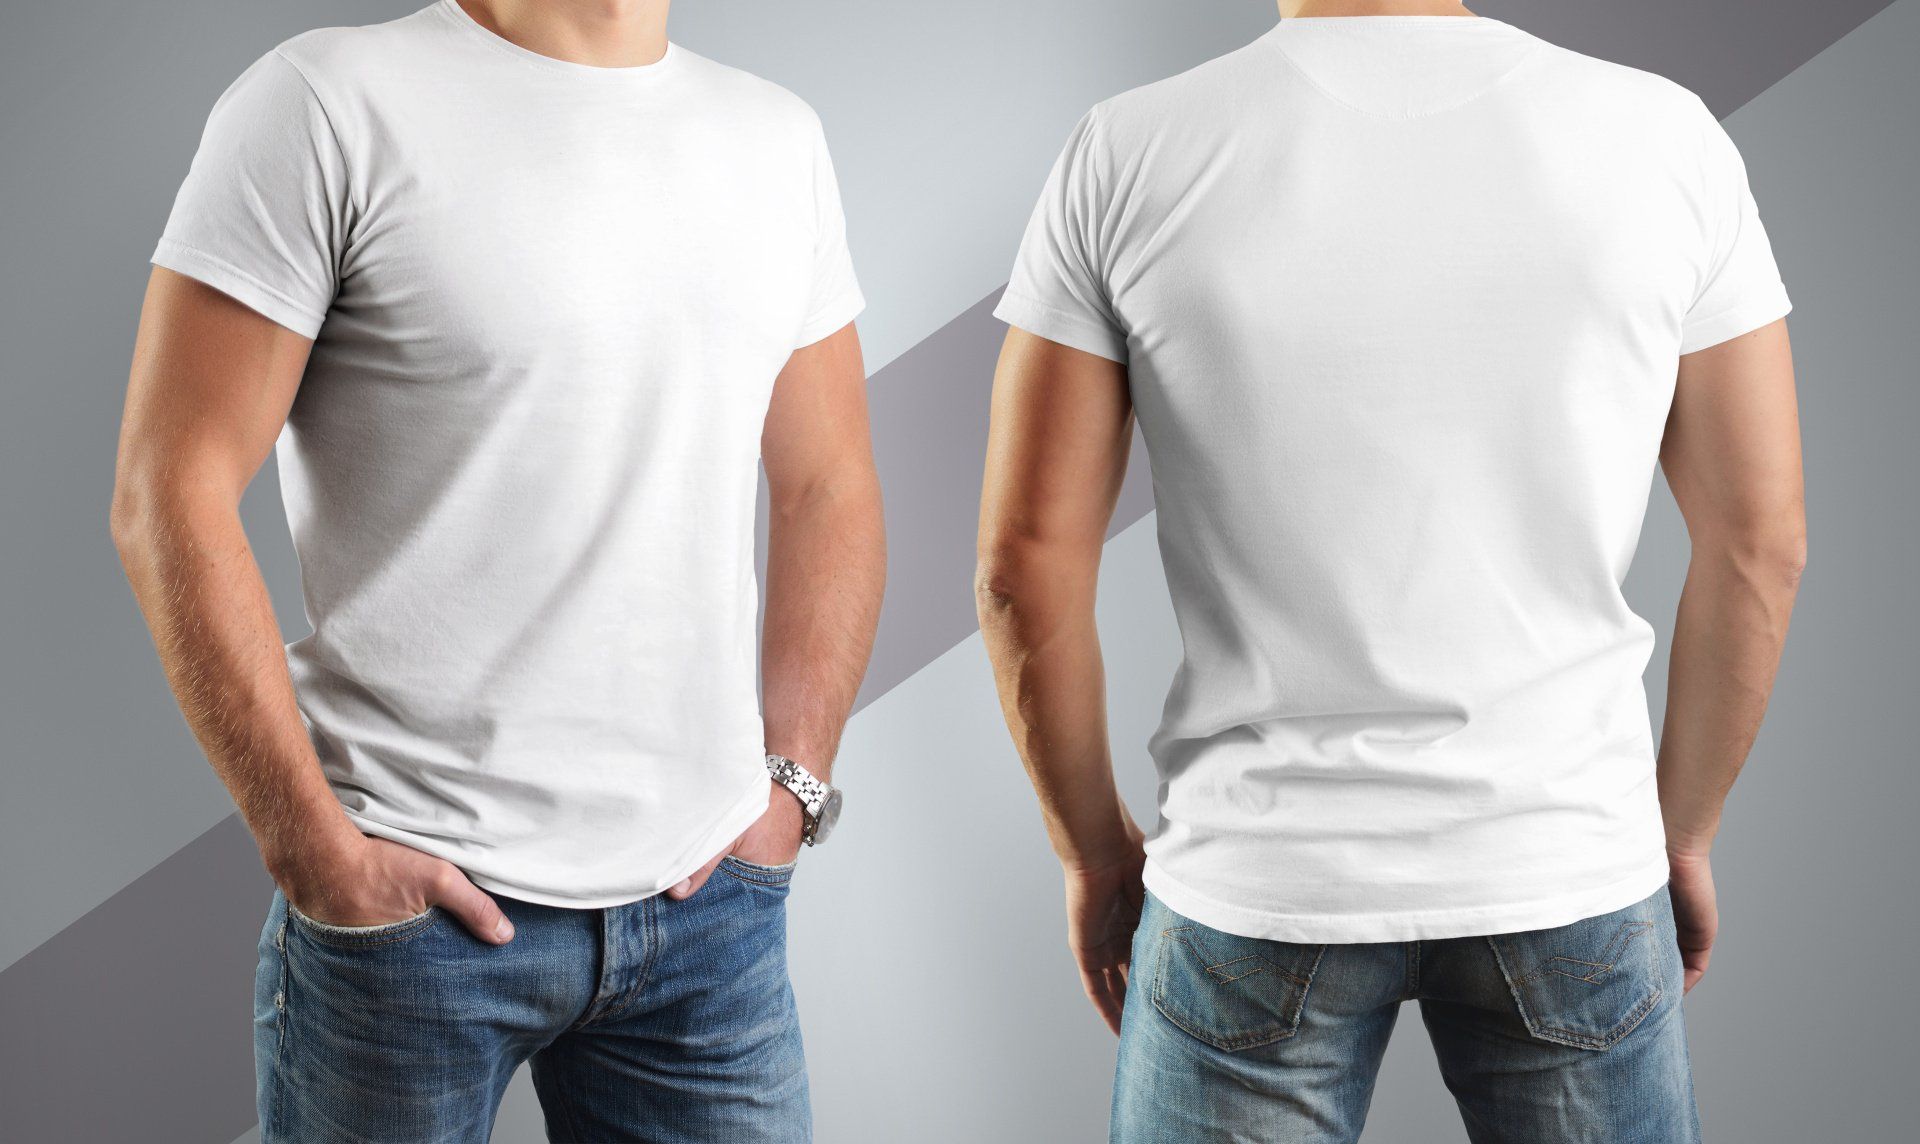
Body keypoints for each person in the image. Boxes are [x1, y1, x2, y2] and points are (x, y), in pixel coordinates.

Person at [976, 0, 1802, 1140]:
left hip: (1256, 874)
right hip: (1565, 857)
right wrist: (1685, 830)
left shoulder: (1129, 149)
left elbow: (1024, 568)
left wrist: (1092, 850)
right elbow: (1761, 545)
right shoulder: (1666, 138)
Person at [110, 1, 883, 1140]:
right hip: (408, 929)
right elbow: (165, 490)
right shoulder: (326, 104)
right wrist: (313, 847)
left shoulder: (775, 137)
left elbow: (829, 485)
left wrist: (792, 787)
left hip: (708, 922)